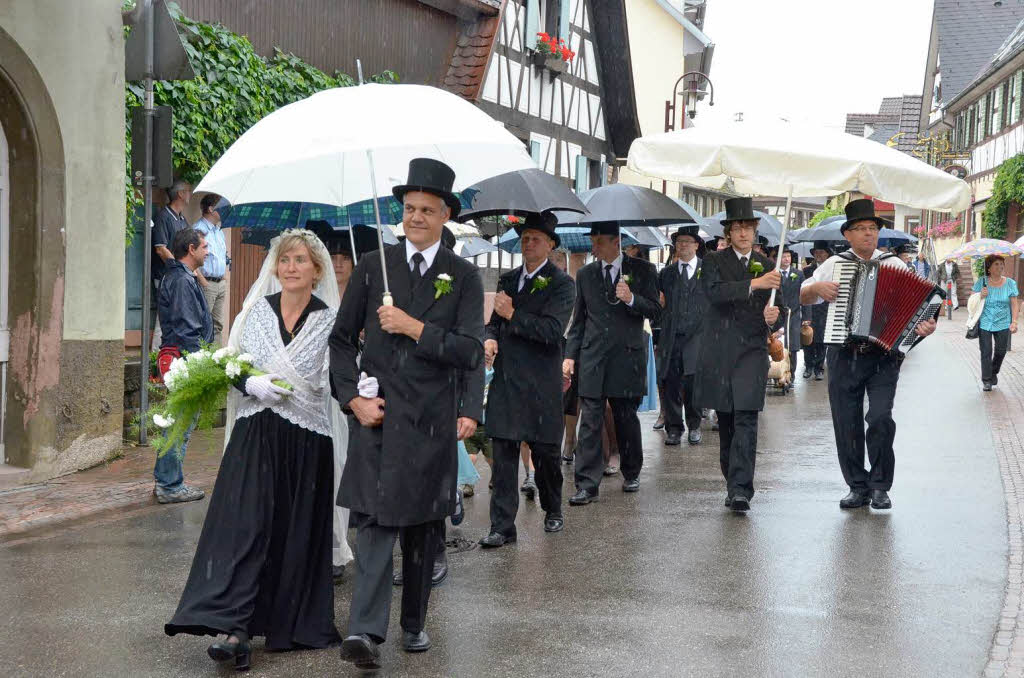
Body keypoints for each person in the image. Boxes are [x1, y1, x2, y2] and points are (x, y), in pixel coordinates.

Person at [165, 229, 345, 668]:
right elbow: (231, 362)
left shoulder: (330, 320)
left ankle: (287, 622)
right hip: (256, 434)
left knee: (290, 530)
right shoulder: (257, 314)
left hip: (307, 442)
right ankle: (234, 629)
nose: (290, 267)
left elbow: (339, 377)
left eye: (300, 260)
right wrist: (250, 382)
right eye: (284, 260)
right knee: (245, 527)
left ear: (316, 269)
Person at [331, 158, 483, 669]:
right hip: (377, 418)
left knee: (420, 527)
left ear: (445, 215)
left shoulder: (461, 276)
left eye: (426, 210)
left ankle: (414, 622)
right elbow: (338, 340)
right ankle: (365, 632)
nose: (415, 218)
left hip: (431, 421)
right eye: (409, 208)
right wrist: (352, 397)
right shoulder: (373, 266)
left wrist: (414, 328)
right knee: (372, 526)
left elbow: (469, 350)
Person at [800, 199, 937, 510]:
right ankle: (857, 486)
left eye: (872, 229)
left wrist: (924, 328)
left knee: (879, 418)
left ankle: (880, 486)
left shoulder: (895, 265)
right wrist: (817, 288)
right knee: (845, 422)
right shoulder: (834, 264)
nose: (867, 234)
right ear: (847, 235)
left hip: (883, 356)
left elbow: (920, 311)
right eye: (860, 229)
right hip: (842, 351)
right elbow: (803, 292)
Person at [479, 212, 575, 547]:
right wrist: (489, 337)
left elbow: (551, 332)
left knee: (546, 455)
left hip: (540, 383)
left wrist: (513, 315)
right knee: (503, 452)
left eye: (535, 238)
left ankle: (553, 507)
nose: (528, 243)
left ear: (550, 244)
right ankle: (502, 525)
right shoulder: (507, 280)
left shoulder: (563, 284)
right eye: (524, 237)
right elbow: (494, 322)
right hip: (507, 379)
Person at [693, 197, 783, 513]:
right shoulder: (713, 262)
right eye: (737, 228)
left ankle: (742, 489)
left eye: (748, 227)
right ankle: (732, 483)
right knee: (728, 421)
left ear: (755, 230)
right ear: (729, 232)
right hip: (720, 351)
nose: (743, 233)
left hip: (753, 352)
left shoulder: (770, 266)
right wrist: (755, 283)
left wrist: (776, 317)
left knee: (746, 417)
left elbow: (780, 309)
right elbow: (715, 294)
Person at [563, 223, 661, 505]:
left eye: (599, 242)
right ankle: (586, 484)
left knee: (625, 418)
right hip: (593, 357)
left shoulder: (643, 270)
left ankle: (631, 471)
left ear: (616, 241)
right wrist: (570, 355)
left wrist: (631, 299)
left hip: (627, 356)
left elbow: (655, 311)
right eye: (592, 241)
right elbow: (579, 320)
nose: (594, 248)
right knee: (590, 419)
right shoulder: (586, 274)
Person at [153, 228, 211, 504]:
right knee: (180, 423)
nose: (207, 251)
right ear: (191, 248)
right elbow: (188, 328)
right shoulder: (180, 280)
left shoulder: (182, 277)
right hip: (185, 359)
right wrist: (199, 362)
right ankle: (169, 484)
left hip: (184, 357)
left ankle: (168, 481)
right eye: (204, 246)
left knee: (178, 422)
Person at [657, 224, 707, 446]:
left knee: (693, 384)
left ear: (696, 245)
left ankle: (695, 425)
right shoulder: (666, 274)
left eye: (687, 241)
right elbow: (658, 303)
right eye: (679, 242)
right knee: (671, 383)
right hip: (672, 336)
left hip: (698, 336)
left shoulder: (707, 271)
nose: (683, 245)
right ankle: (674, 428)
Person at [151, 180, 192, 349]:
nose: (190, 194)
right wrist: (179, 268)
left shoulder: (183, 220)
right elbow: (161, 249)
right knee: (164, 320)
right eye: (188, 191)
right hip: (165, 277)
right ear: (180, 194)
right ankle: (155, 359)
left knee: (177, 318)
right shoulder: (163, 217)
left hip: (179, 278)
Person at [974, 254, 1020, 391]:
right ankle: (987, 380)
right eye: (996, 264)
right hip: (985, 322)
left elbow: (1014, 304)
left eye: (1001, 264)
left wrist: (1015, 321)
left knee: (1000, 351)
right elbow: (972, 301)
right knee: (986, 352)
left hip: (1003, 322)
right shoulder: (982, 282)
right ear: (989, 268)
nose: (1000, 267)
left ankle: (993, 371)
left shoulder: (1010, 283)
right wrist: (980, 295)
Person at [193, 193, 229, 346]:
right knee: (203, 324)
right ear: (211, 209)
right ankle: (202, 361)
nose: (224, 211)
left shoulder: (219, 232)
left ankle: (216, 361)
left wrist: (224, 278)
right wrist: (202, 280)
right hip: (206, 283)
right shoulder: (198, 230)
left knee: (218, 325)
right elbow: (192, 258)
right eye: (221, 208)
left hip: (220, 283)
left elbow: (223, 256)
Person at [801, 241, 832, 380]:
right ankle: (808, 366)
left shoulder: (831, 270)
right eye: (816, 253)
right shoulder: (806, 270)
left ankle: (819, 368)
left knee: (821, 340)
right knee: (807, 338)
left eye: (822, 252)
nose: (819, 255)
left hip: (825, 309)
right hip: (809, 308)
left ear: (827, 254)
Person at [776, 246, 805, 383]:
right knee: (777, 345)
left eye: (788, 256)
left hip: (793, 315)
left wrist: (807, 317)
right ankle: (777, 373)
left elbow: (804, 296)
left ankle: (791, 375)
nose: (786, 259)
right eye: (783, 256)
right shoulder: (774, 274)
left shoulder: (798, 274)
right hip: (778, 315)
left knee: (792, 346)